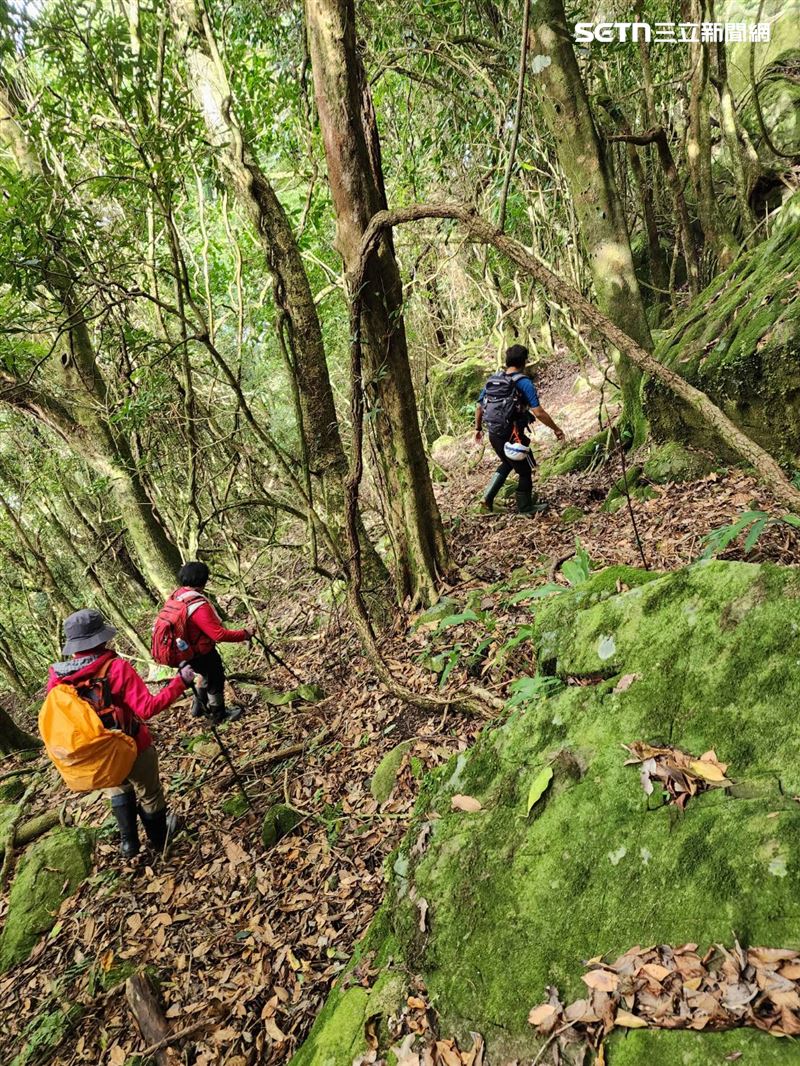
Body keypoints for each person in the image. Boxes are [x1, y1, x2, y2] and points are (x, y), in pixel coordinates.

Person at [47, 608, 195, 858]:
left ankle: (129, 844)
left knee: (117, 788)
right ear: (102, 638)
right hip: (132, 744)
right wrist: (180, 682)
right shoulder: (116, 667)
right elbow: (147, 708)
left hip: (96, 750)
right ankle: (160, 840)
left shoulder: (58, 677)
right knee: (150, 793)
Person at [475, 344, 565, 514]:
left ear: (507, 361)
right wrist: (556, 429)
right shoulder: (524, 382)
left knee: (507, 463)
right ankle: (525, 508)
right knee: (524, 471)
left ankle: (487, 498)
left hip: (494, 434)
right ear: (524, 362)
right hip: (513, 435)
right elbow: (538, 412)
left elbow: (479, 407)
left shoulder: (493, 381)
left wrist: (478, 429)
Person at [166, 561, 255, 724]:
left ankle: (198, 708)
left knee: (204, 675)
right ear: (203, 580)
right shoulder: (197, 605)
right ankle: (218, 714)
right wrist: (244, 634)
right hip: (200, 651)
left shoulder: (177, 595)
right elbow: (218, 634)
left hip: (182, 649)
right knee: (215, 679)